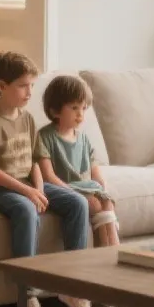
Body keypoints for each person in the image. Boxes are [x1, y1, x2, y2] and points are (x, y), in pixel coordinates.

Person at [0, 52, 91, 307]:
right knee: (26, 210)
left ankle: (72, 285)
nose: (30, 92)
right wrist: (27, 194)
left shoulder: (27, 119)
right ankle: (26, 296)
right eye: (24, 86)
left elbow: (36, 161)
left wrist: (39, 189)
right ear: (2, 86)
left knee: (77, 203)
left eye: (32, 86)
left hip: (27, 181)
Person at [36, 75, 121, 252]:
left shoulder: (83, 139)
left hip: (86, 187)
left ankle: (110, 253)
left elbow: (95, 173)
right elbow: (48, 176)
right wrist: (73, 193)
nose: (80, 114)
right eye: (74, 108)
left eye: (84, 108)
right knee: (96, 205)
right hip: (64, 189)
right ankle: (110, 255)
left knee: (107, 203)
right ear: (55, 111)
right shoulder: (45, 137)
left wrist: (101, 190)